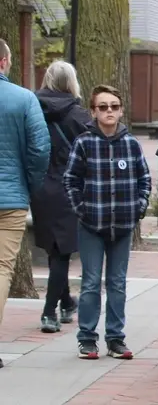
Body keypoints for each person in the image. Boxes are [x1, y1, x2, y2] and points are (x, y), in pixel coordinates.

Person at [63, 84, 151, 361]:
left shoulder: (131, 143)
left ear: (121, 110)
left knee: (117, 283)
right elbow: (71, 180)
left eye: (114, 106)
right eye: (103, 107)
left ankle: (116, 338)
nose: (109, 111)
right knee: (90, 283)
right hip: (92, 225)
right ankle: (87, 338)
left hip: (123, 226)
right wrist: (82, 209)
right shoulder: (84, 143)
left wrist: (139, 207)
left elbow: (144, 179)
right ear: (94, 112)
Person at [0, 40, 50, 367]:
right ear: (5, 62)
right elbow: (40, 149)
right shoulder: (24, 98)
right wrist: (29, 186)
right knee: (2, 268)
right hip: (11, 198)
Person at [31, 61, 87, 334]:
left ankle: (66, 302)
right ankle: (49, 312)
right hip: (68, 187)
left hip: (40, 187)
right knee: (62, 251)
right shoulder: (78, 115)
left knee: (55, 249)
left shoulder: (32, 109)